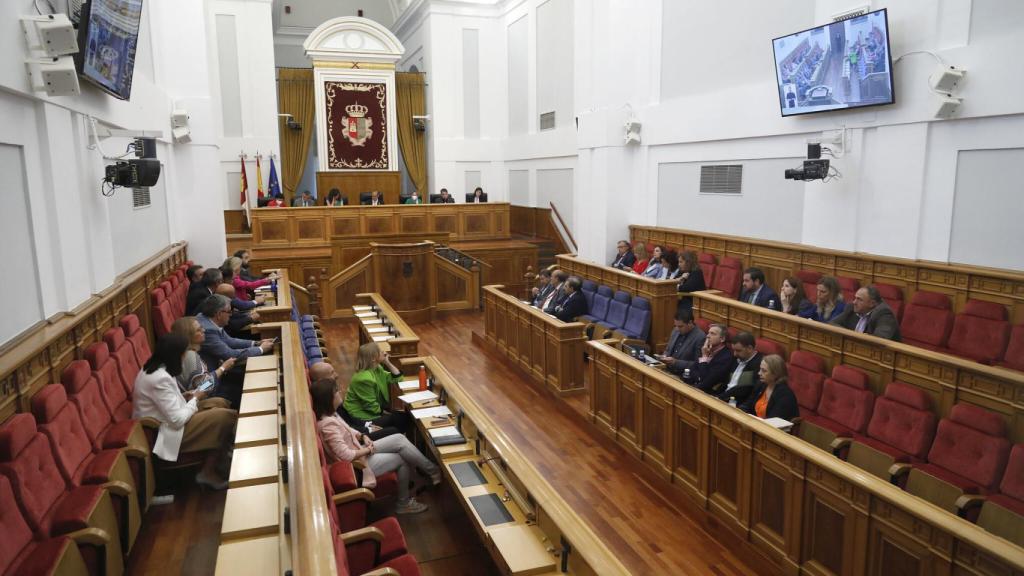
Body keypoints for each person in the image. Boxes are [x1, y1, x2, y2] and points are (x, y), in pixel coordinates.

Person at [312, 378, 437, 514]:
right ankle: (403, 504)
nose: (339, 392)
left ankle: (432, 471)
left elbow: (348, 429)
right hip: (357, 465)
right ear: (328, 398)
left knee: (399, 439)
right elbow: (345, 455)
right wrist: (367, 450)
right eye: (336, 391)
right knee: (401, 459)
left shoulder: (332, 414)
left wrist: (363, 436)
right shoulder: (327, 424)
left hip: (360, 449)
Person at [132, 333, 237, 490]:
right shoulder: (159, 378)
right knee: (223, 417)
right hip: (164, 433)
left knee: (219, 402)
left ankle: (219, 461)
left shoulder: (157, 366)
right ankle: (207, 472)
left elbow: (163, 401)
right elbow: (177, 420)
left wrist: (183, 396)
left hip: (169, 419)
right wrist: (195, 398)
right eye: (183, 354)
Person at [196, 294, 274, 406]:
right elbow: (201, 387)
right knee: (251, 395)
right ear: (218, 314)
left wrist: (256, 344)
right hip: (212, 386)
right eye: (229, 311)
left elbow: (229, 341)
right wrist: (260, 349)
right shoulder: (207, 331)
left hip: (215, 375)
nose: (231, 314)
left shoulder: (206, 321)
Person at [342, 343, 410, 433]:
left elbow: (397, 378)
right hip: (362, 417)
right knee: (401, 419)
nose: (384, 352)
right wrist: (385, 413)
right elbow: (370, 406)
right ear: (373, 358)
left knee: (404, 417)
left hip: (374, 410)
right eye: (380, 351)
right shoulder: (364, 378)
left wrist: (387, 362)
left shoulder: (377, 368)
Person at [170, 316, 236, 393]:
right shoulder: (189, 355)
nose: (203, 330)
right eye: (198, 330)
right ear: (188, 336)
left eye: (201, 327)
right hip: (206, 400)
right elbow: (204, 387)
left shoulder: (187, 352)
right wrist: (222, 368)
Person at [740, 354, 799, 421]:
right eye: (760, 369)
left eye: (764, 371)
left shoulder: (785, 395)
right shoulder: (761, 385)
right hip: (755, 424)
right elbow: (748, 404)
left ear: (776, 374)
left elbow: (774, 421)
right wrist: (739, 412)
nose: (759, 373)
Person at [830, 285, 901, 341]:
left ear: (872, 303)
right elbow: (832, 324)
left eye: (859, 299)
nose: (854, 302)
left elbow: (880, 340)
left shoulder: (884, 314)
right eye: (855, 298)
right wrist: (851, 334)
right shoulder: (852, 308)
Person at [655, 310, 705, 380]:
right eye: (676, 326)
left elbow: (697, 364)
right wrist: (664, 356)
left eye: (680, 326)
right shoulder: (675, 330)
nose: (677, 329)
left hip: (682, 375)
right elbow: (668, 349)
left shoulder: (700, 337)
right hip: (666, 369)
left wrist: (676, 362)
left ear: (690, 323)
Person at [715, 332, 763, 405]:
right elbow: (726, 381)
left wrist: (719, 398)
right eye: (734, 350)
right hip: (724, 397)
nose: (734, 354)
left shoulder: (758, 364)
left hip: (737, 403)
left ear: (750, 348)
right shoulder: (737, 358)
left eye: (738, 350)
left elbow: (742, 389)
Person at [693, 324, 734, 392]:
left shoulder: (726, 358)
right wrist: (699, 378)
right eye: (708, 333)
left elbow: (707, 382)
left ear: (722, 339)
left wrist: (704, 356)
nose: (707, 336)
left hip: (708, 393)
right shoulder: (705, 348)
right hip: (695, 385)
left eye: (712, 334)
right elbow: (692, 369)